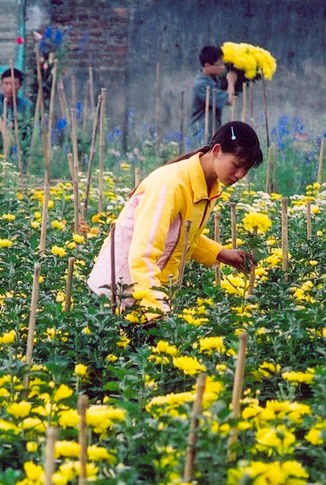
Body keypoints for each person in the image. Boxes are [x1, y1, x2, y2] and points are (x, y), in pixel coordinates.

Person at [86, 121, 262, 321]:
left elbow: (179, 236)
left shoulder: (208, 186)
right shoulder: (171, 185)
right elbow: (141, 255)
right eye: (237, 165)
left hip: (150, 292)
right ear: (216, 150)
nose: (240, 175)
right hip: (117, 295)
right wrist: (157, 310)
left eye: (246, 170)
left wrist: (221, 254)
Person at [189, 45, 237, 141]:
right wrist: (231, 82)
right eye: (219, 64)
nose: (223, 68)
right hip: (201, 133)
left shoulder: (214, 80)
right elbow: (229, 99)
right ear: (207, 66)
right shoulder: (202, 84)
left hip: (211, 130)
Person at [0, 67, 33, 155]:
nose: (10, 87)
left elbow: (29, 124)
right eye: (6, 83)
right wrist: (6, 135)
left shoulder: (25, 104)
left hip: (19, 145)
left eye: (14, 84)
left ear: (20, 86)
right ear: (2, 84)